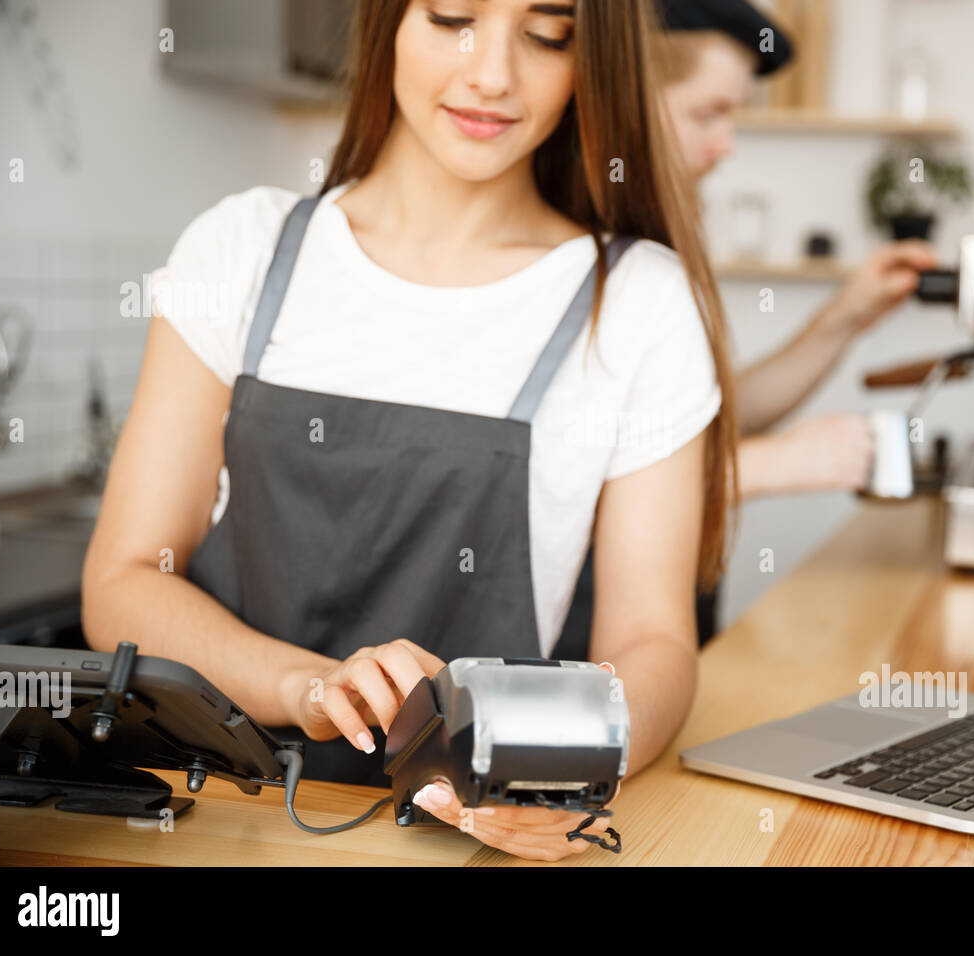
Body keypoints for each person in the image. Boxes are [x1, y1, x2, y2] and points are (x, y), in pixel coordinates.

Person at [82, 0, 734, 862]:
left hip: (468, 849)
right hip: (222, 836)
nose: (493, 72)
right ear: (386, 19)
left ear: (592, 57)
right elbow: (124, 579)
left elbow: (654, 644)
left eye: (549, 33)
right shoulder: (244, 250)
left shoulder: (639, 303)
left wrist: (568, 769)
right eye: (452, 13)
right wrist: (307, 683)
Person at [559, 0, 938, 651]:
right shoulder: (566, 249)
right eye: (708, 112)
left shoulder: (654, 245)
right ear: (622, 100)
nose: (726, 142)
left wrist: (843, 319)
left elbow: (703, 424)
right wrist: (770, 465)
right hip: (583, 651)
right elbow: (557, 478)